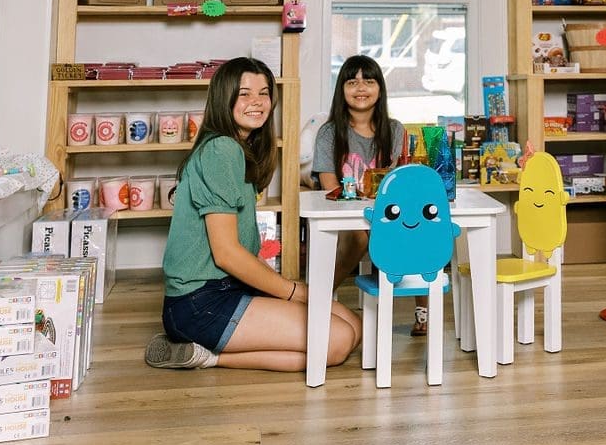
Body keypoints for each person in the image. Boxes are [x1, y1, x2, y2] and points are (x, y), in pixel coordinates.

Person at [146, 57, 360, 371]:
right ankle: (207, 355)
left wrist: (287, 291)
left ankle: (204, 349)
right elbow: (227, 255)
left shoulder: (236, 149)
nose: (257, 102)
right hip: (201, 303)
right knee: (338, 340)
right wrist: (293, 291)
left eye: (264, 93)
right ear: (225, 98)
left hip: (224, 291)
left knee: (352, 326)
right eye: (244, 93)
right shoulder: (222, 150)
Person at [312, 56, 428, 336]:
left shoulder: (395, 129)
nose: (360, 88)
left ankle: (423, 310)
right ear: (342, 89)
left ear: (380, 88)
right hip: (347, 213)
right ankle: (318, 297)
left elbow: (403, 180)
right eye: (352, 82)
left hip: (390, 213)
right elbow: (329, 185)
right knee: (362, 234)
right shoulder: (329, 133)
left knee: (419, 230)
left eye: (369, 81)